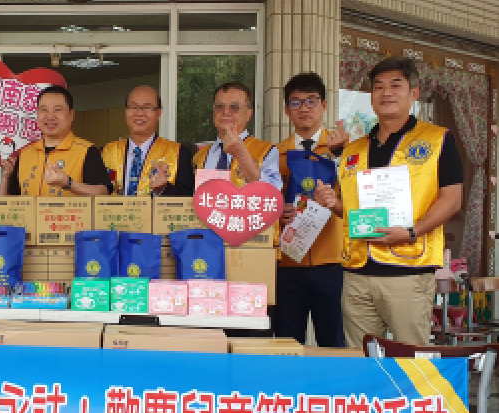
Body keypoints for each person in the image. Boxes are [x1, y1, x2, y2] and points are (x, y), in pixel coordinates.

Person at [314, 57, 463, 346]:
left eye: (396, 85)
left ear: (414, 93)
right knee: (361, 358)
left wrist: (411, 232)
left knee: (411, 356)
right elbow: (352, 210)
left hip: (409, 269)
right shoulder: (354, 149)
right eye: (379, 87)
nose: (386, 93)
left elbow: (452, 199)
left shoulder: (437, 139)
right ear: (371, 97)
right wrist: (333, 204)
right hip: (357, 271)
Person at [274, 73, 348, 347]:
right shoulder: (275, 155)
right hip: (287, 262)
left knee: (334, 343)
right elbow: (264, 203)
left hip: (332, 262)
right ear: (286, 109)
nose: (304, 108)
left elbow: (358, 201)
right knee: (287, 342)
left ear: (324, 105)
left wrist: (340, 157)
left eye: (311, 101)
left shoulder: (343, 149)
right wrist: (277, 213)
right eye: (295, 102)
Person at [0, 85, 112, 197]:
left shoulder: (87, 151)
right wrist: (6, 177)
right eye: (44, 110)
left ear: (71, 115)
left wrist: (68, 183)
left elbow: (103, 193)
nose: (50, 116)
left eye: (57, 110)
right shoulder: (25, 154)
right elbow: (5, 203)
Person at [102, 85, 194, 196]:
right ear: (126, 111)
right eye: (133, 107)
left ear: (159, 113)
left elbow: (188, 199)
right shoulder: (108, 152)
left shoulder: (179, 153)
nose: (139, 113)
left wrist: (163, 189)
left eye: (147, 107)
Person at [192, 82, 283, 189]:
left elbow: (272, 192)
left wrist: (241, 155)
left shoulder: (266, 151)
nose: (226, 112)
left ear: (249, 114)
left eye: (234, 107)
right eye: (220, 107)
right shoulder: (200, 156)